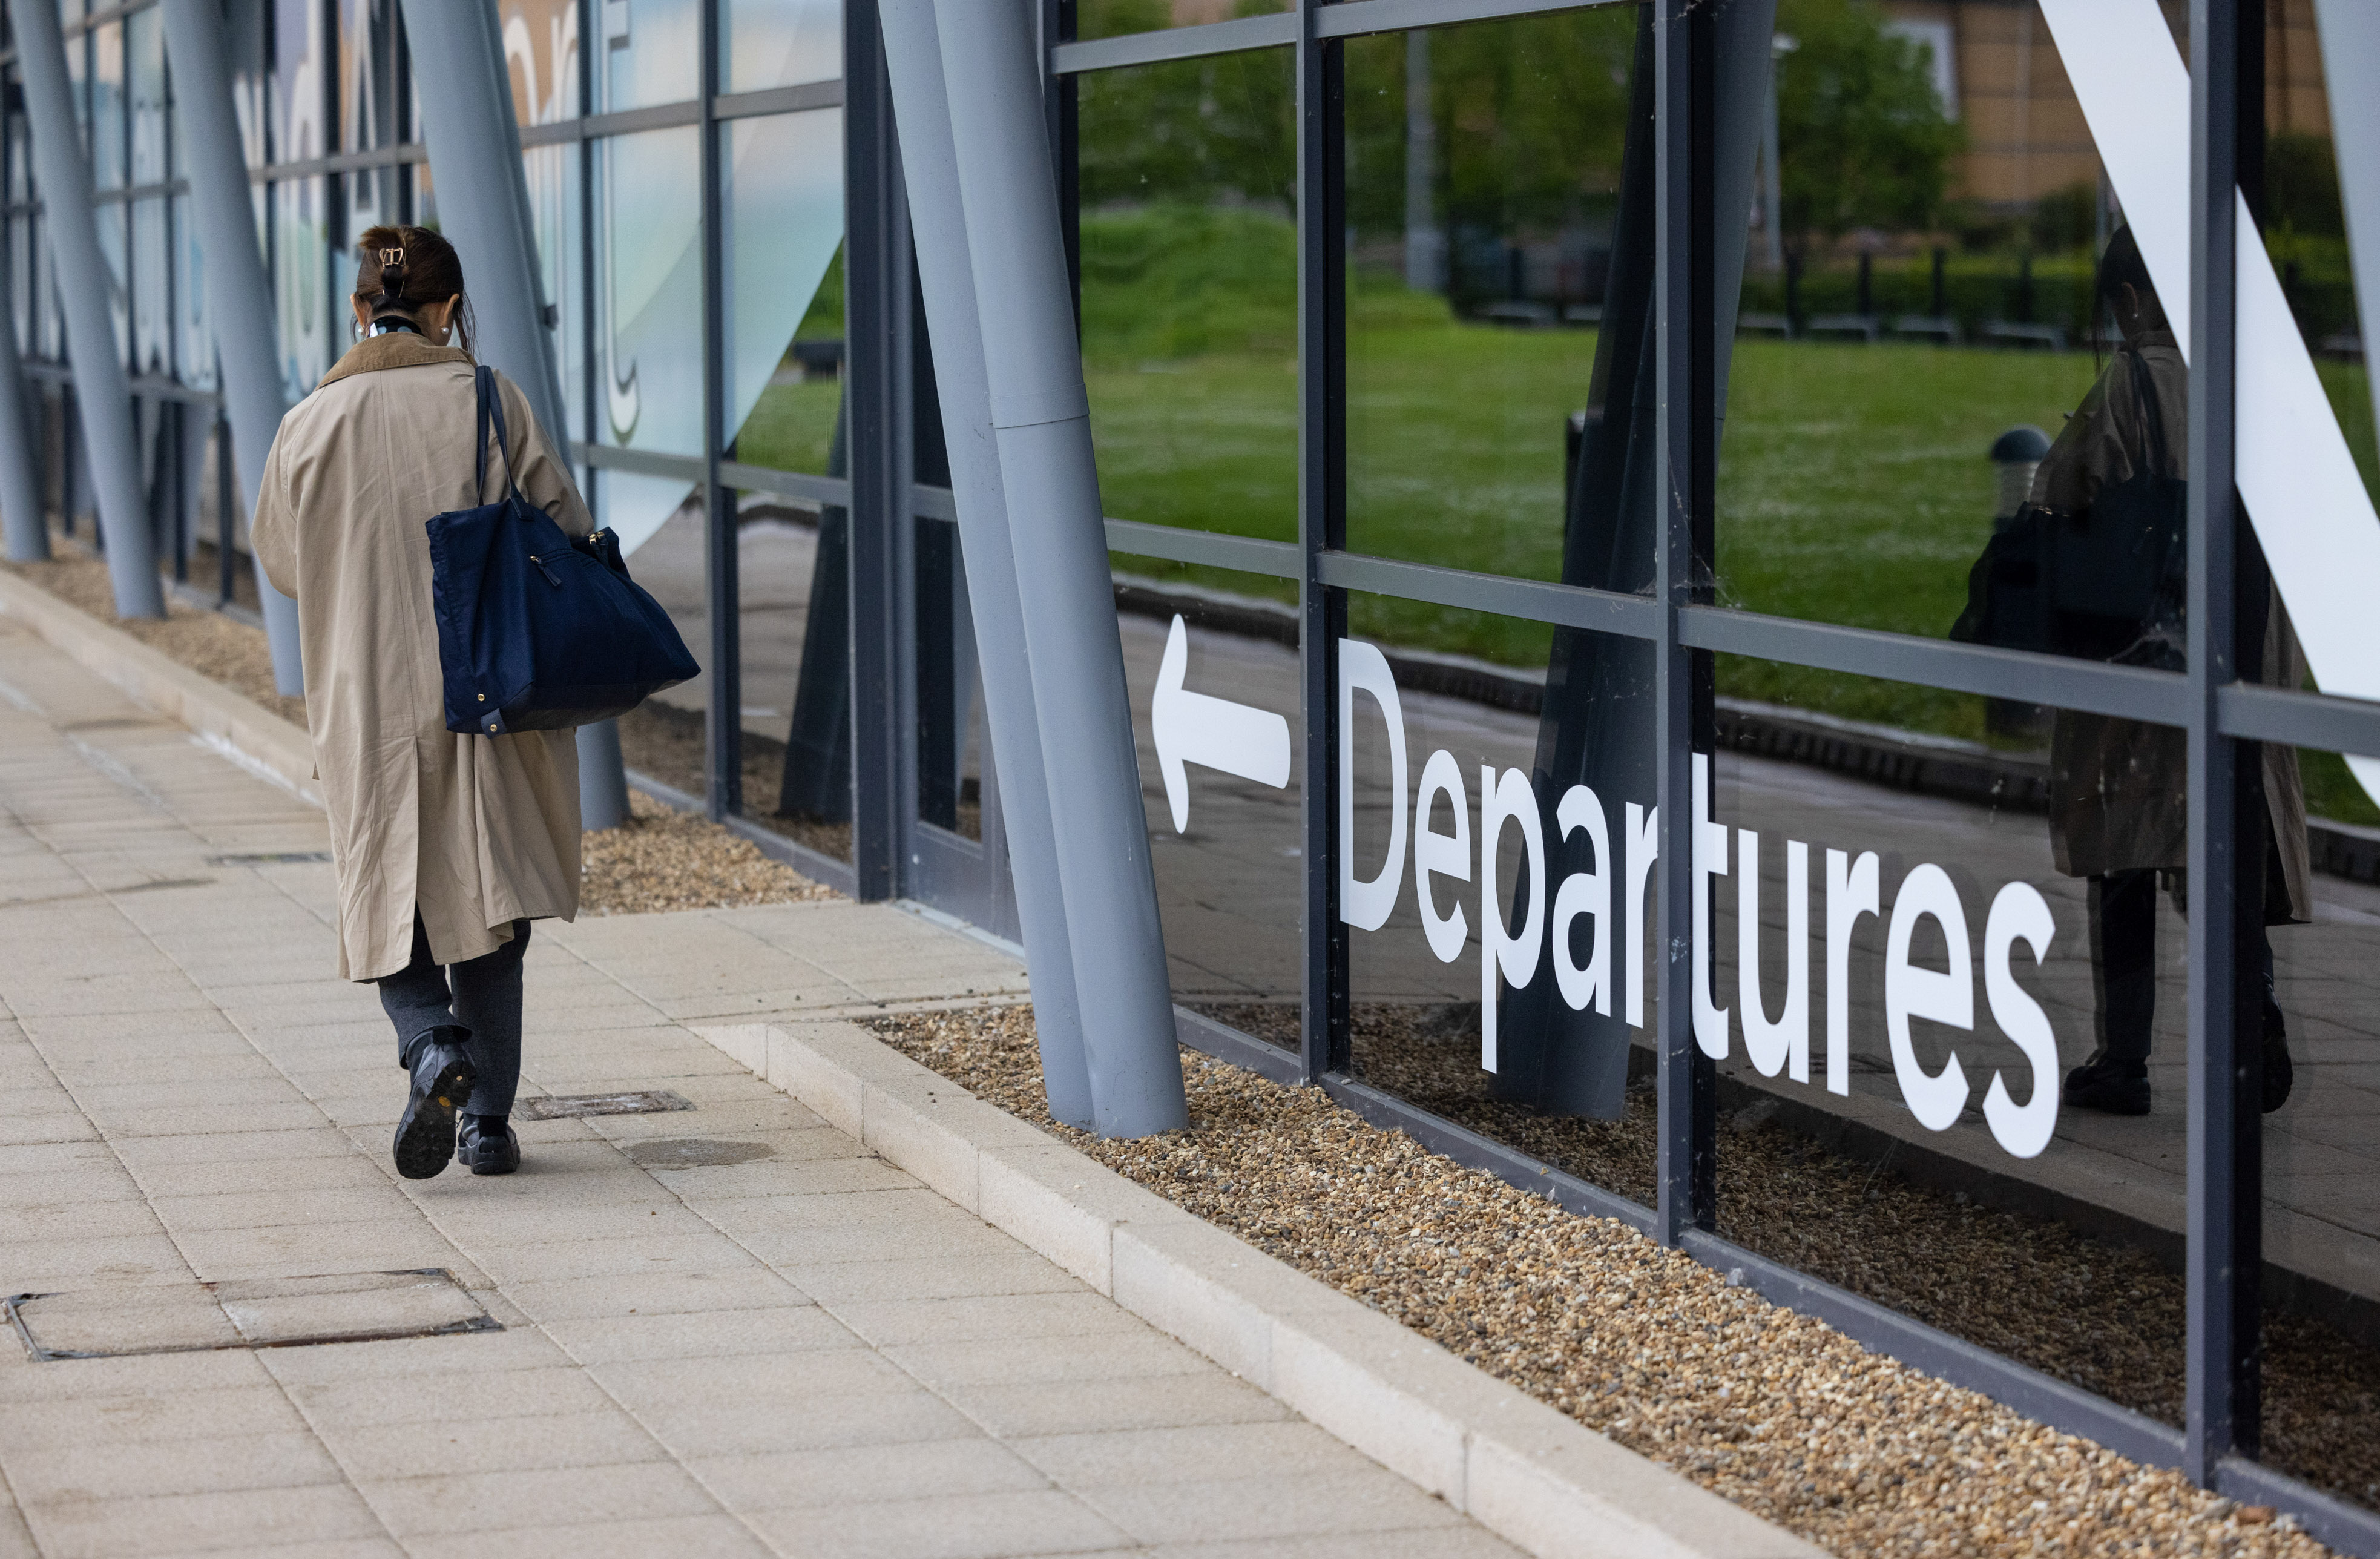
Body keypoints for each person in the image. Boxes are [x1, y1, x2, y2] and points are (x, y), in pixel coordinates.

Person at [251, 225, 594, 1179]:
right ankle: (487, 1127)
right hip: (487, 692)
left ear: (361, 309)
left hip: (368, 701)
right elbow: (562, 525)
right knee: (492, 903)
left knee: (388, 899)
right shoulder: (488, 400)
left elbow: (284, 565)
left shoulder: (307, 424)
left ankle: (430, 1046)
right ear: (449, 310)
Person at [2038, 226, 2310, 1117]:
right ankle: (2253, 1004)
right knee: (2220, 852)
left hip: (2146, 660)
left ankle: (2125, 1059)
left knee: (2124, 854)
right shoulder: (2247, 385)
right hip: (2240, 646)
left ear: (2131, 299)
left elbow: (2061, 494)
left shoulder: (2133, 381)